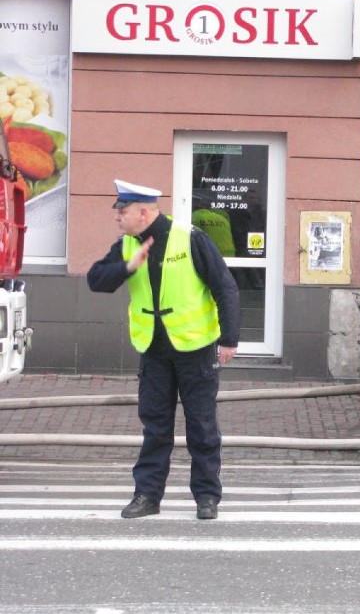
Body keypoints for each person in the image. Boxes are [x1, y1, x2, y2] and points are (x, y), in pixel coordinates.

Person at [87, 179, 240, 520]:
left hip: (195, 347)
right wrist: (129, 266)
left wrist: (229, 338)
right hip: (154, 349)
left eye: (122, 211)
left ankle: (206, 497)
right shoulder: (126, 245)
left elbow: (225, 287)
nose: (117, 217)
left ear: (143, 213)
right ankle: (147, 496)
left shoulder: (190, 238)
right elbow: (95, 280)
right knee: (155, 426)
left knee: (201, 426)